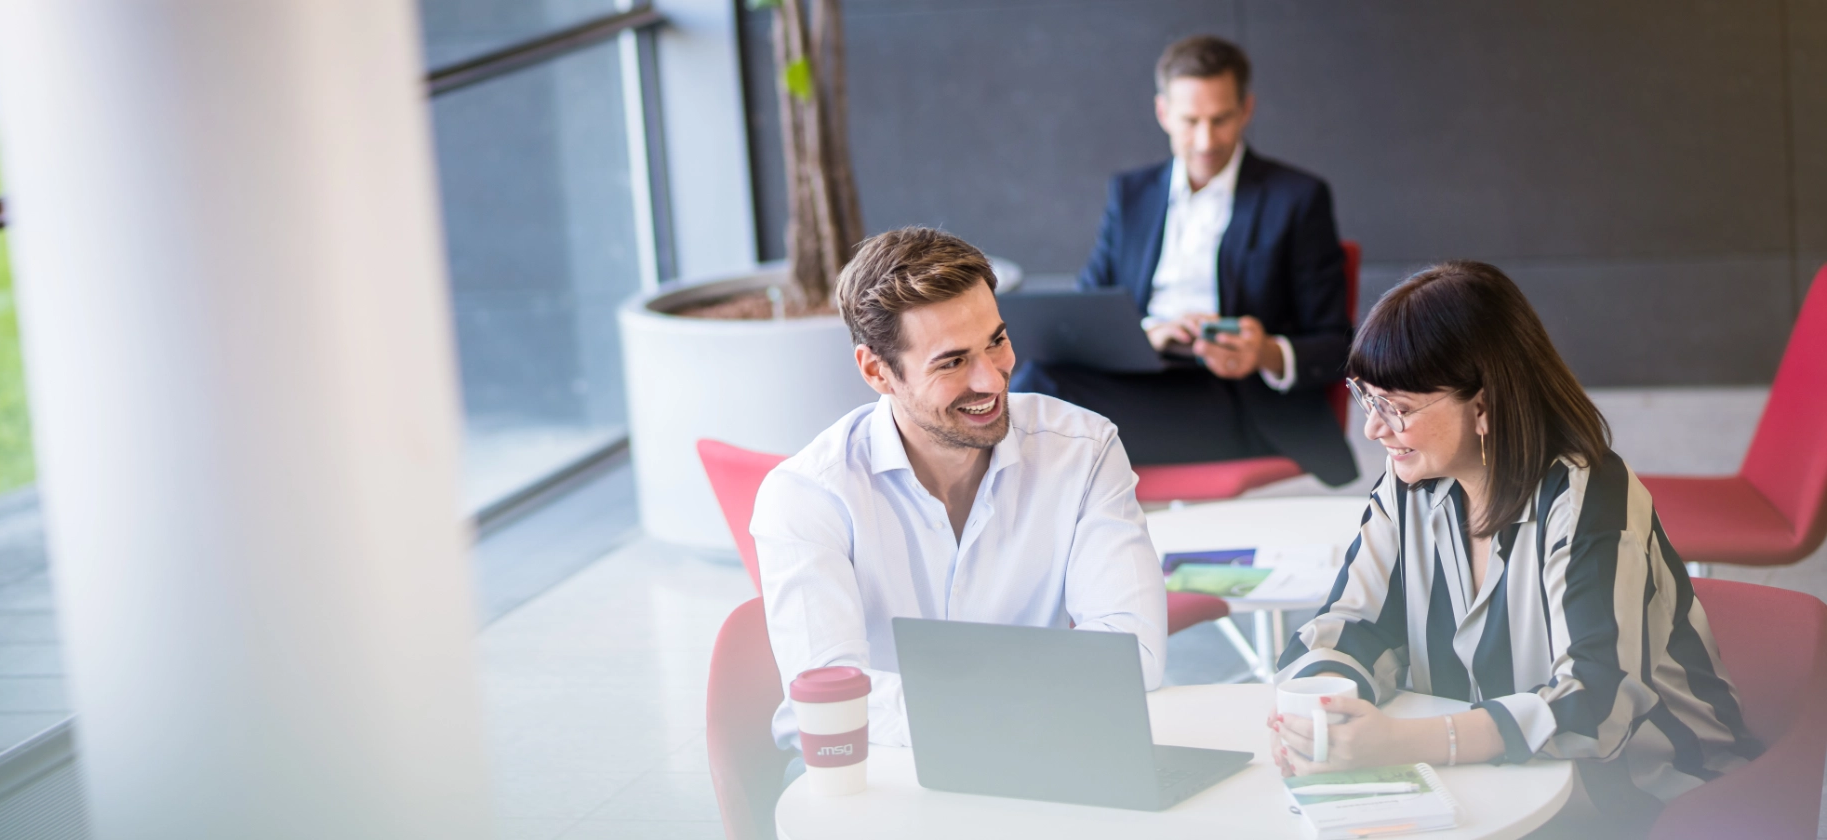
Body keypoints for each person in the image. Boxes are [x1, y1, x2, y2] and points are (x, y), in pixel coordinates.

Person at [1268, 261, 1759, 836]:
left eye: (1396, 408)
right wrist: (1324, 719)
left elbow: (1598, 706)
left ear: (1483, 406)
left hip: (1645, 797)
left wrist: (1400, 741)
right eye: (1367, 399)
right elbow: (1349, 627)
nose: (1375, 430)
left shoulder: (1589, 497)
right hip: (1497, 784)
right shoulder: (1408, 487)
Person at [753, 227, 1167, 752]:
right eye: (952, 362)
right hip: (877, 774)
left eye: (996, 341)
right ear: (877, 371)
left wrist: (968, 710)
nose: (993, 381)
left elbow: (1134, 654)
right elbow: (830, 704)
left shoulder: (1083, 450)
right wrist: (1034, 698)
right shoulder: (809, 496)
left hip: (1041, 758)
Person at [1011, 35, 1356, 486]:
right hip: (1143, 381)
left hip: (1237, 398)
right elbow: (1087, 315)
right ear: (1163, 113)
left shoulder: (1297, 198)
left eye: (1221, 119)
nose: (1206, 140)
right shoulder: (1130, 194)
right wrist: (1148, 334)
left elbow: (1339, 346)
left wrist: (1264, 352)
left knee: (1039, 412)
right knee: (1033, 385)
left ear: (1246, 109)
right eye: (1190, 121)